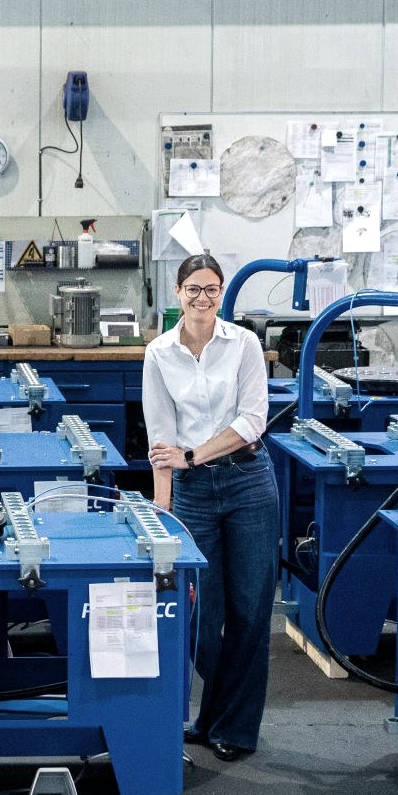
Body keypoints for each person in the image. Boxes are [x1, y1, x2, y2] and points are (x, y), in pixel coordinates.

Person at [142, 252, 279, 763]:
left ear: (221, 294)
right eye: (194, 289)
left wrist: (194, 454)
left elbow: (252, 421)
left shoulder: (243, 344)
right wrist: (162, 508)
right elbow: (161, 436)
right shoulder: (159, 353)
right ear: (178, 293)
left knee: (249, 611)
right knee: (201, 615)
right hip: (194, 493)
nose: (203, 298)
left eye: (212, 289)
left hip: (248, 483)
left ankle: (234, 728)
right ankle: (215, 715)